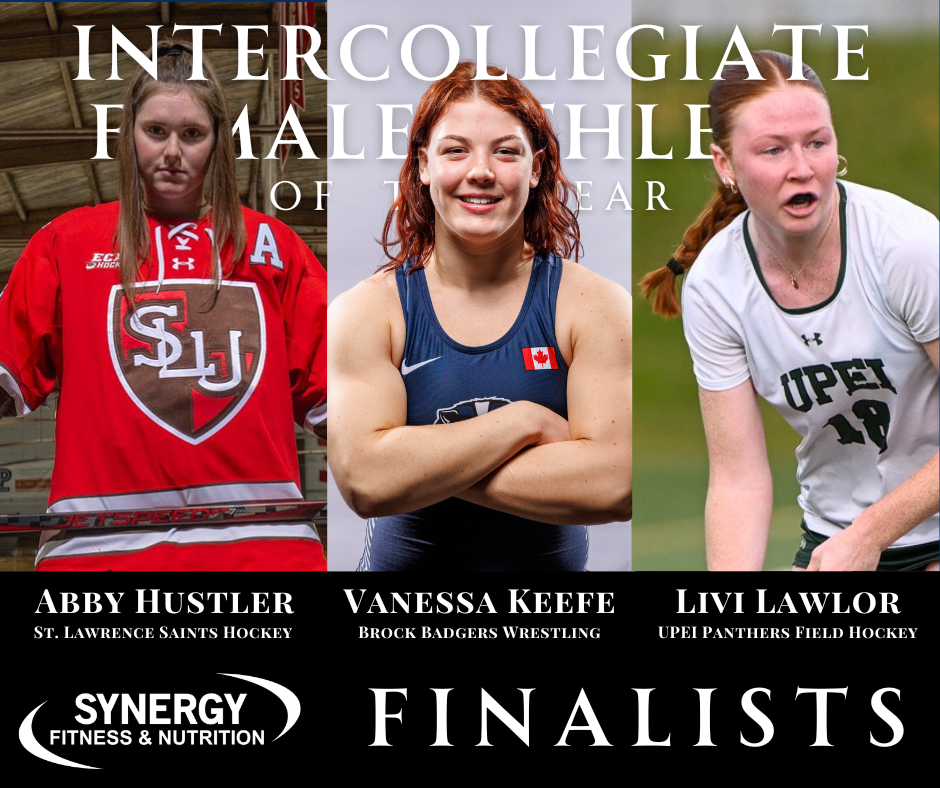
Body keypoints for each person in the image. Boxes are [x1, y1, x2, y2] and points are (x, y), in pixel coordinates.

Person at [0, 40, 327, 571]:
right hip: (97, 553)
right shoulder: (67, 243)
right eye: (156, 131)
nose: (173, 151)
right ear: (129, 135)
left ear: (218, 142)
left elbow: (341, 400)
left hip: (262, 551)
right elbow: (7, 370)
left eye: (192, 134)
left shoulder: (274, 246)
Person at [640, 50, 938, 572]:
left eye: (816, 143)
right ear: (726, 164)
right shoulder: (715, 284)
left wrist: (868, 535)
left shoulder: (906, 246)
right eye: (772, 150)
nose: (802, 169)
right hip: (831, 539)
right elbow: (738, 479)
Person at [329, 61, 631, 571]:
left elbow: (615, 484)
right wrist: (525, 421)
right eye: (455, 150)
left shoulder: (593, 306)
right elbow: (366, 482)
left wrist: (416, 463)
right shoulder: (369, 311)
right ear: (423, 166)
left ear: (536, 168)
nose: (481, 171)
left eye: (506, 151)